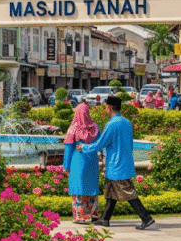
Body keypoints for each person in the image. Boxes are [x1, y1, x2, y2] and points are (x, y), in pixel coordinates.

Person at [78, 96, 155, 230]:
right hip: (124, 162)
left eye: (106, 107)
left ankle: (146, 218)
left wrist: (84, 148)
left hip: (116, 164)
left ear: (109, 108)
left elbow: (101, 143)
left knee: (128, 192)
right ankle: (105, 219)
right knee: (111, 191)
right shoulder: (126, 122)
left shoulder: (112, 124)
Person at [63, 103, 100, 224]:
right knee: (92, 187)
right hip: (92, 161)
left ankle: (80, 216)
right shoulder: (94, 128)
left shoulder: (73, 129)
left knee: (79, 187)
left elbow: (68, 149)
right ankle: (93, 213)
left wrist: (66, 166)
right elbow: (100, 144)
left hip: (78, 161)